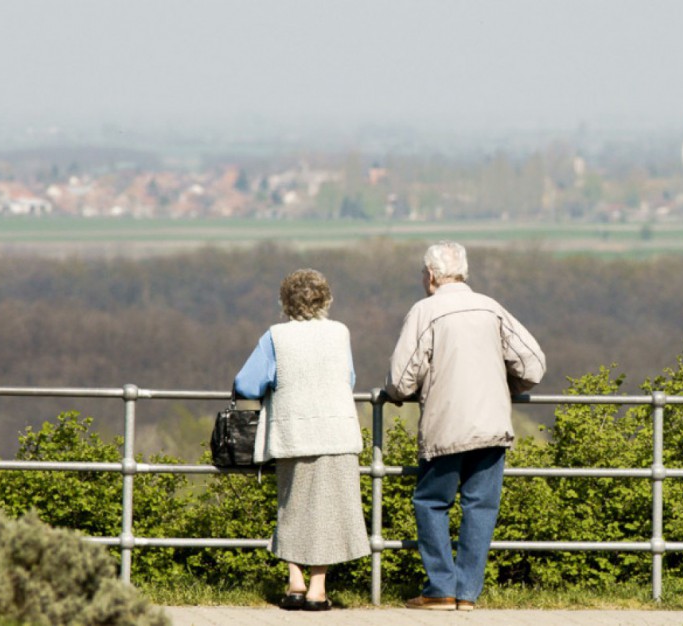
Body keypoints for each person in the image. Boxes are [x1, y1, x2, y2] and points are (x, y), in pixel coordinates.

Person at [385, 241, 546, 611]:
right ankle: (467, 594)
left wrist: (399, 392)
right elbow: (533, 365)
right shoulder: (492, 308)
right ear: (464, 272)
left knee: (430, 502)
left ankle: (440, 587)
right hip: (492, 424)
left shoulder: (425, 311)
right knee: (481, 508)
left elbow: (400, 379)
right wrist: (505, 385)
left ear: (430, 276)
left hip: (446, 427)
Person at [234, 268, 370, 612]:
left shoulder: (275, 337)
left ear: (285, 302)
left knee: (291, 507)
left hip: (294, 431)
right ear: (326, 300)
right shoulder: (340, 332)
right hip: (337, 432)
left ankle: (295, 583)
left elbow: (247, 384)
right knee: (328, 512)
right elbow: (349, 378)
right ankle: (317, 589)